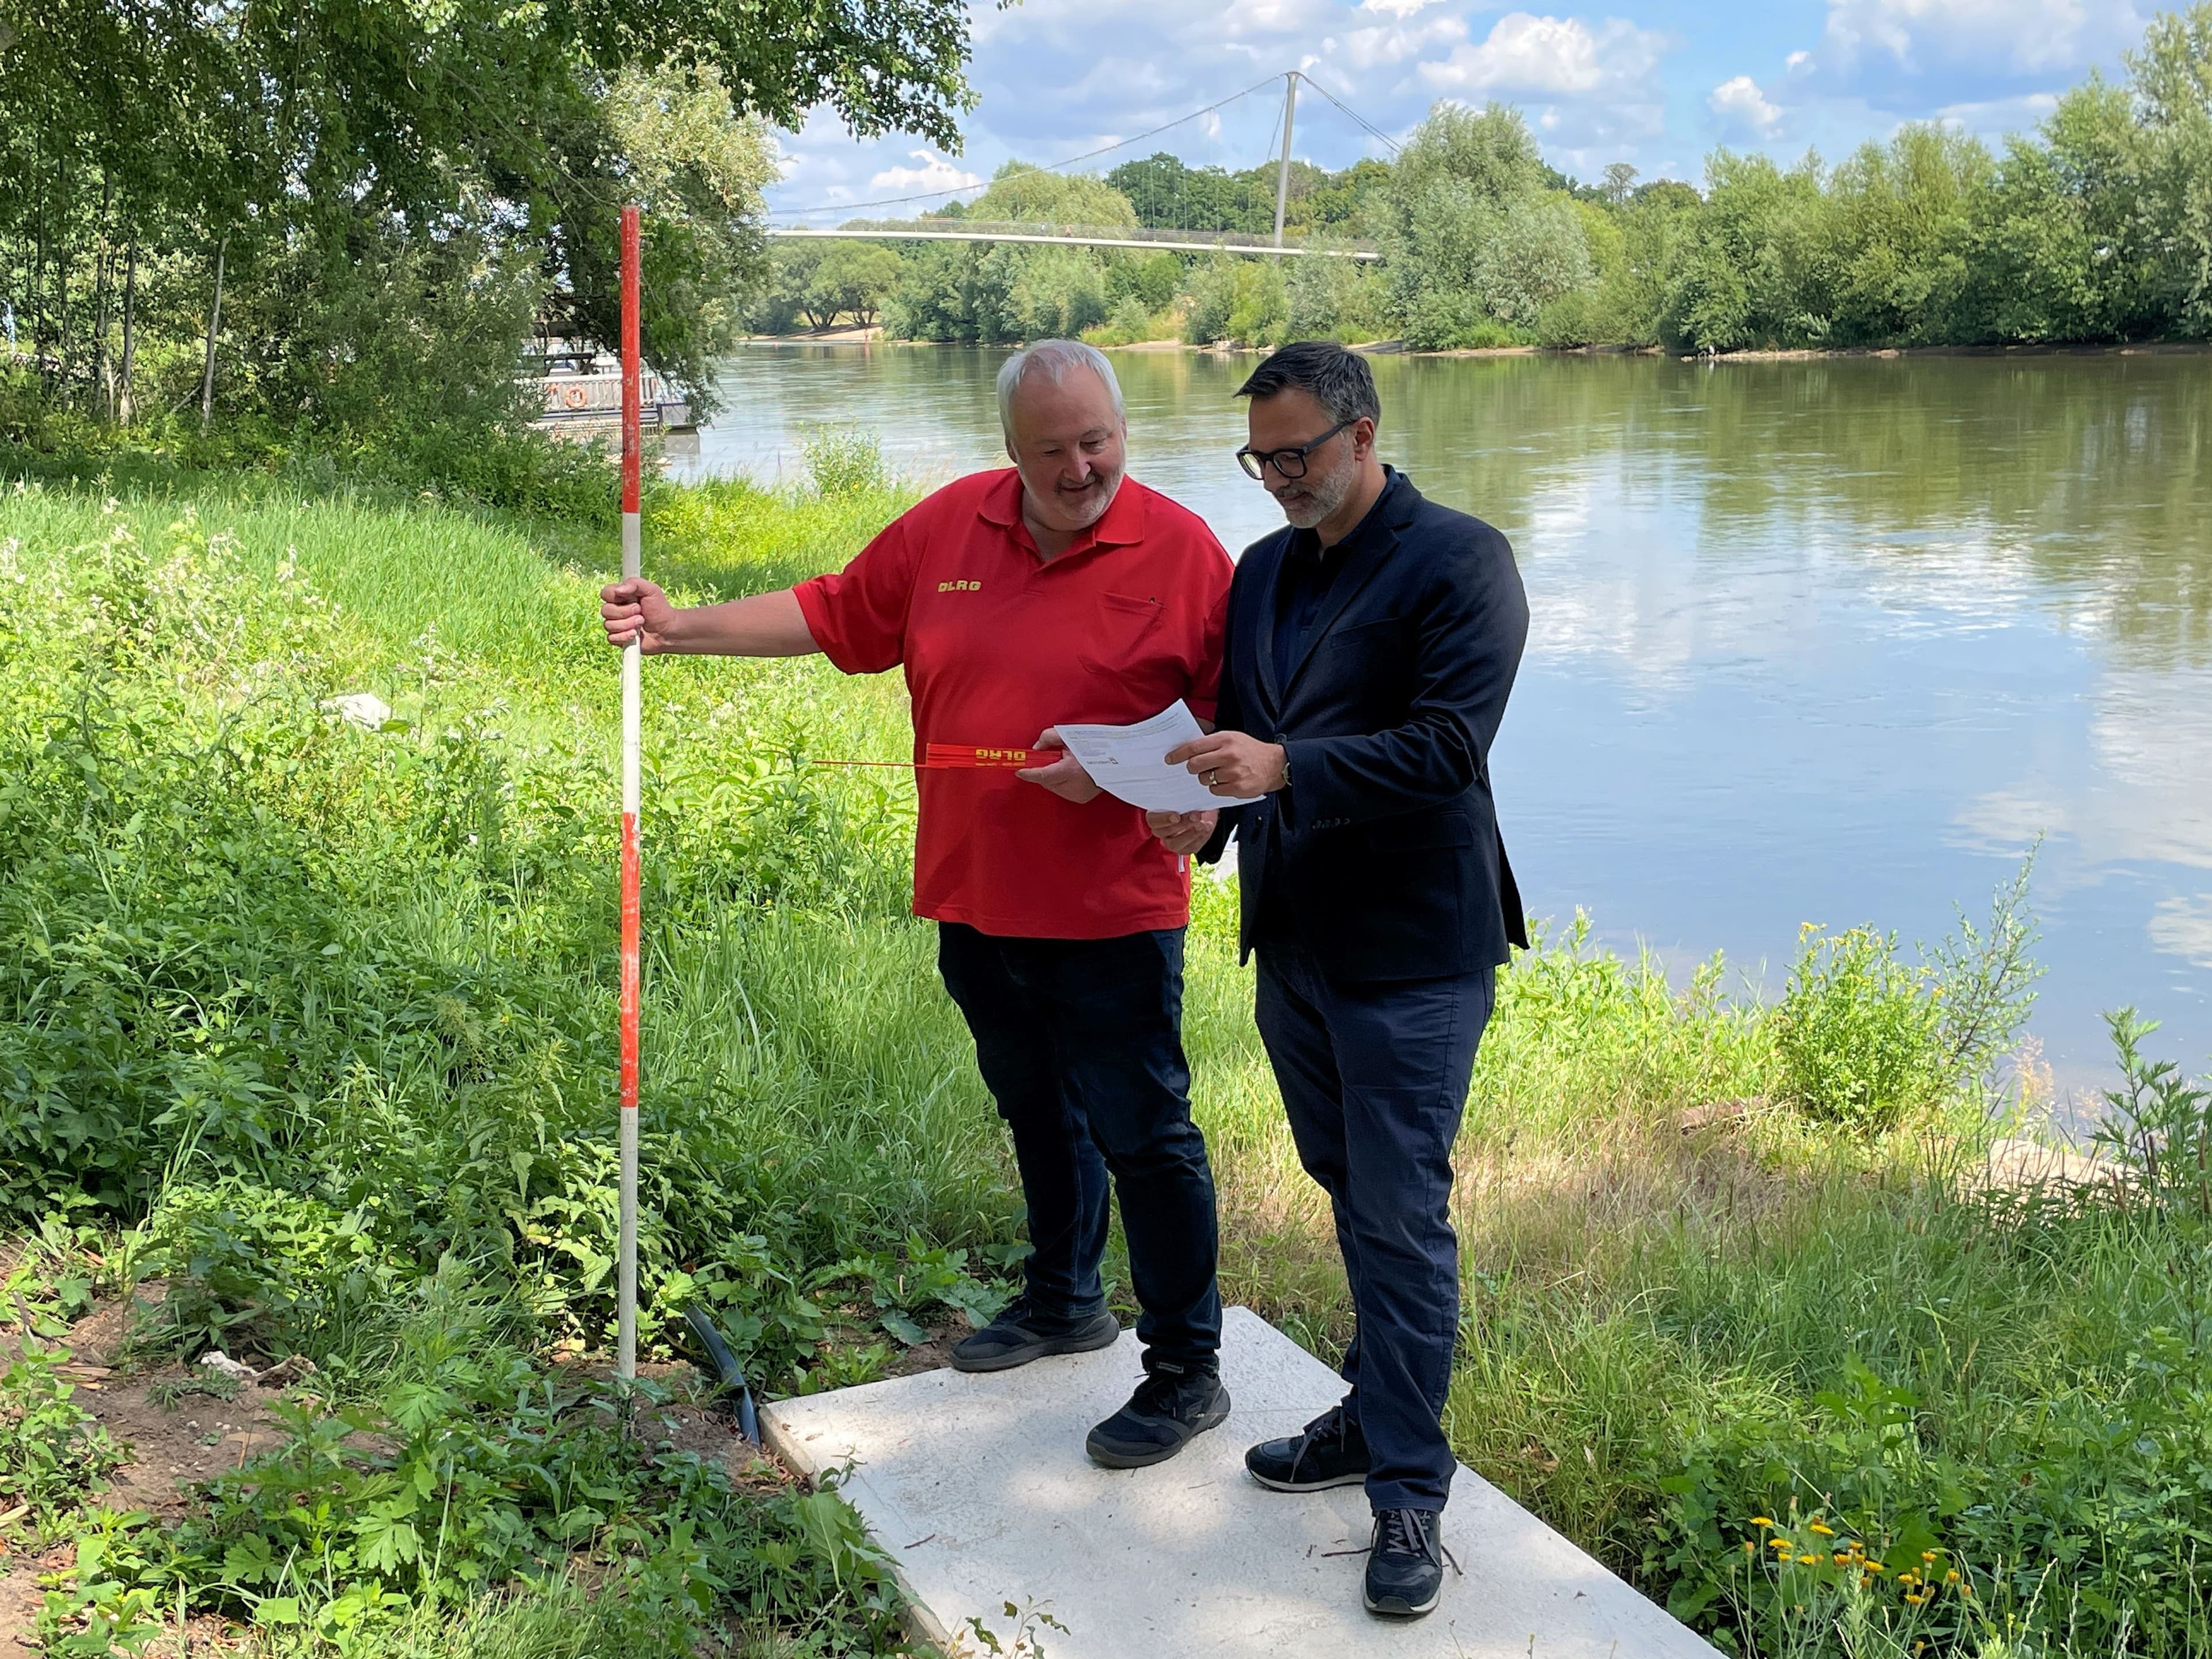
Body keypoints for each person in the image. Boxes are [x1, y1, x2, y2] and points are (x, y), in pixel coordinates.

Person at [601, 340, 1235, 1469]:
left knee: (1147, 1137)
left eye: (1099, 442)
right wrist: (675, 621)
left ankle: (1187, 1371)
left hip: (1111, 912)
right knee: (1036, 1109)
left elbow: (1232, 724)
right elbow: (834, 610)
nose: (1082, 468)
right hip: (978, 900)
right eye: (1054, 451)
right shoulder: (949, 529)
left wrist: (1183, 799)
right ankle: (1063, 1300)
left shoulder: (1186, 553)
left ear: (1124, 432)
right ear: (1010, 451)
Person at [1145, 341, 1528, 1619]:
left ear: (1365, 434)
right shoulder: (1260, 573)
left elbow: (1444, 747)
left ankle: (1411, 1491)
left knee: (1401, 1211)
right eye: (1259, 457)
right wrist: (1211, 818)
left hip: (1415, 954)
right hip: (1296, 942)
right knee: (1350, 1187)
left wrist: (1285, 770)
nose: (1275, 480)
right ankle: (1376, 1415)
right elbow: (1249, 738)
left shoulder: (1462, 560)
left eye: (1297, 454)